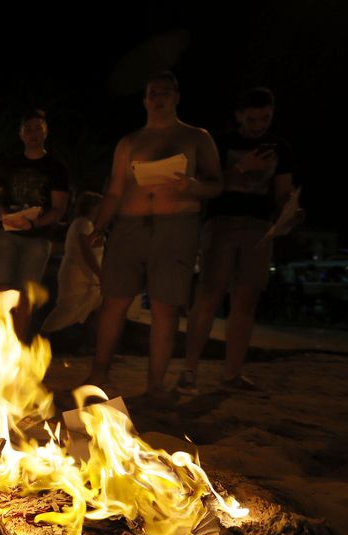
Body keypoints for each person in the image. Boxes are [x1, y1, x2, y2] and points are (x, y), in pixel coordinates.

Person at [85, 72, 222, 398]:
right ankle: (97, 375)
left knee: (165, 305)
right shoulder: (130, 142)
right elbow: (116, 190)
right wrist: (100, 226)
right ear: (145, 100)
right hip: (130, 226)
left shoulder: (196, 137)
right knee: (114, 301)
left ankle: (155, 385)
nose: (158, 98)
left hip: (177, 226)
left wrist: (192, 187)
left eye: (165, 92)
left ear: (176, 96)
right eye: (152, 93)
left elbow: (217, 183)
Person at [178, 87, 296, 394]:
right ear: (239, 115)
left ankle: (232, 373)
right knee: (209, 296)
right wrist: (243, 168)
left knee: (246, 300)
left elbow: (283, 190)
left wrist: (290, 211)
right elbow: (207, 184)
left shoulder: (280, 147)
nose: (259, 124)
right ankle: (189, 369)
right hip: (221, 223)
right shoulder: (222, 142)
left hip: (260, 227)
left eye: (265, 118)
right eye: (253, 118)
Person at [0, 109, 69, 340]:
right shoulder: (8, 164)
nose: (33, 133)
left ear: (45, 132)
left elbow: (59, 207)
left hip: (38, 239)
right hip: (6, 235)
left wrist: (36, 223)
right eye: (28, 129)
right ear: (21, 134)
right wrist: (5, 214)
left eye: (37, 128)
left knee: (25, 296)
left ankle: (16, 347)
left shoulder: (56, 168)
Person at [41, 192, 104, 341]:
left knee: (92, 307)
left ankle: (88, 341)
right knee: (67, 309)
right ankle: (44, 336)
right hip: (79, 275)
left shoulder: (84, 224)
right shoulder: (84, 224)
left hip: (84, 274)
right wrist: (100, 273)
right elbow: (85, 250)